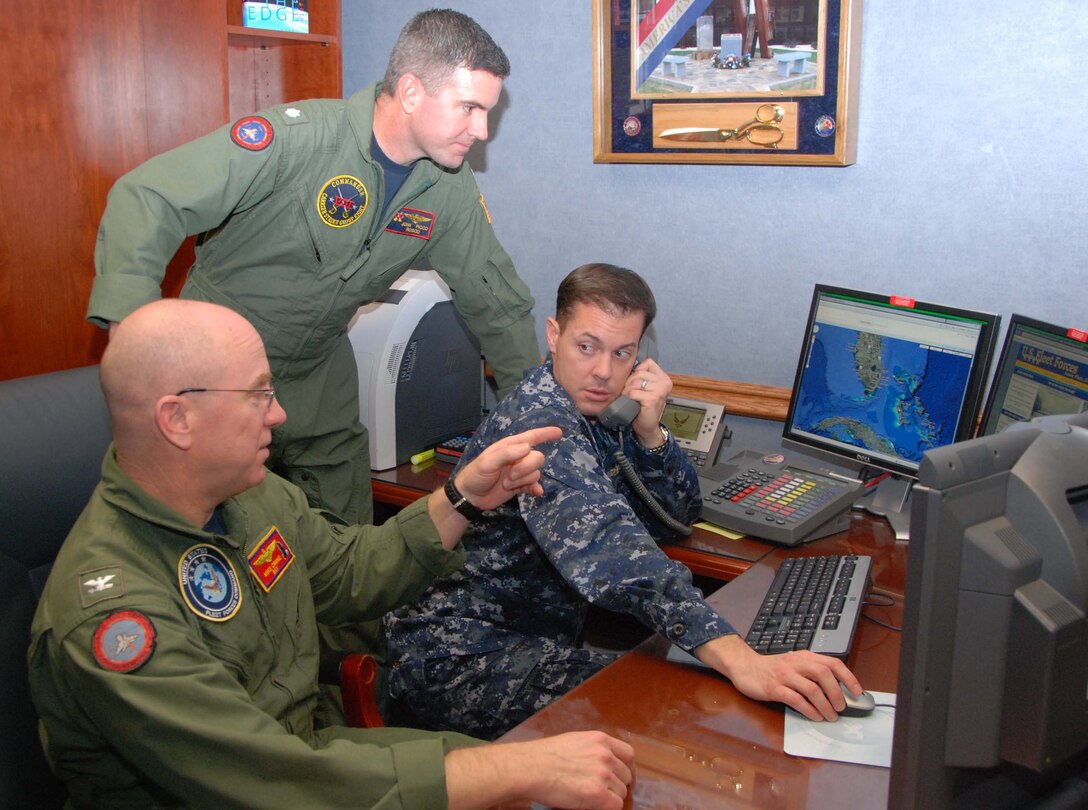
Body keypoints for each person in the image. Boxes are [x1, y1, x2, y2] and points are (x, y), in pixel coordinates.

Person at [27, 299, 634, 810]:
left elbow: (349, 574)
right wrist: (519, 768)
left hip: (311, 753)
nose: (279, 413)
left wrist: (464, 497)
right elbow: (274, 778)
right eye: (258, 394)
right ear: (177, 418)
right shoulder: (117, 621)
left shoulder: (252, 495)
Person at [87, 8, 539, 527]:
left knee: (347, 544)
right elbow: (148, 197)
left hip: (318, 378)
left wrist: (526, 423)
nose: (481, 130)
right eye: (469, 108)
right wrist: (133, 336)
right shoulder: (297, 142)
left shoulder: (448, 190)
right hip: (213, 375)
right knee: (198, 537)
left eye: (487, 111)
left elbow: (499, 308)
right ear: (412, 92)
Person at [384, 263, 865, 739]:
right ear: (554, 335)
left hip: (529, 641)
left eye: (622, 353)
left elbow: (676, 516)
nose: (603, 372)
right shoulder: (540, 423)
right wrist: (741, 659)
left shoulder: (599, 414)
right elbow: (611, 547)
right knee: (677, 709)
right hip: (460, 655)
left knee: (688, 696)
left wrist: (649, 429)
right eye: (586, 347)